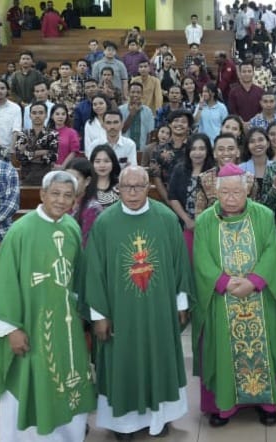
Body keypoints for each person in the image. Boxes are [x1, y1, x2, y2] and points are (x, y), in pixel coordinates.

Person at [0, 170, 96, 441]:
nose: (61, 200)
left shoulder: (71, 228)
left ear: (75, 200)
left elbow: (77, 277)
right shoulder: (21, 231)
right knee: (28, 384)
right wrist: (10, 330)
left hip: (65, 328)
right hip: (30, 327)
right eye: (55, 193)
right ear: (42, 194)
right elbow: (4, 283)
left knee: (68, 384)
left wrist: (81, 312)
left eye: (68, 195)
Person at [82, 165, 193, 441]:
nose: (132, 193)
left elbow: (179, 264)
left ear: (149, 188)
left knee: (158, 358)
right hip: (120, 312)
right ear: (118, 187)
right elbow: (94, 271)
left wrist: (181, 303)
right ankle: (123, 425)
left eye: (139, 187)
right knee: (123, 361)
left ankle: (159, 418)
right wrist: (99, 315)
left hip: (158, 309)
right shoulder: (105, 223)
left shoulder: (166, 219)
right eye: (126, 187)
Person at [192, 163, 276, 428]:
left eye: (237, 192)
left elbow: (271, 250)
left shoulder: (264, 215)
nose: (231, 198)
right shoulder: (205, 221)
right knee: (222, 348)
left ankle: (266, 404)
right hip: (222, 298)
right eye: (226, 193)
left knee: (263, 348)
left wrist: (255, 281)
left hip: (259, 296)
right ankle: (224, 405)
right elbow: (201, 258)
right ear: (217, 193)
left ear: (247, 190)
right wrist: (222, 282)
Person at [194, 132, 258, 216]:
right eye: (221, 149)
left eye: (230, 149)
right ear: (214, 153)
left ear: (238, 152)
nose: (226, 153)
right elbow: (199, 213)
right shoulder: (204, 179)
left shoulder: (250, 179)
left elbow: (255, 211)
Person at [15, 100, 59, 185]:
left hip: (46, 175)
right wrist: (42, 152)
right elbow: (20, 156)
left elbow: (52, 157)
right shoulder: (23, 134)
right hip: (26, 175)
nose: (37, 116)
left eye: (41, 113)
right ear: (30, 115)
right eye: (34, 113)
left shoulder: (53, 134)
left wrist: (29, 154)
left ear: (46, 115)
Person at [64, 157, 102, 245]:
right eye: (68, 179)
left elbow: (86, 245)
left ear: (87, 181)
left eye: (75, 179)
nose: (70, 184)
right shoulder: (63, 204)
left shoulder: (93, 209)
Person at [119, 81, 155, 151]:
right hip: (125, 149)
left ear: (142, 94)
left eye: (138, 92)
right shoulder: (121, 109)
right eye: (132, 92)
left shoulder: (148, 111)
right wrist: (131, 114)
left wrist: (146, 151)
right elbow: (120, 131)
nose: (135, 95)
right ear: (128, 93)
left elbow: (150, 133)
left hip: (142, 149)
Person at [0, 79, 23, 150]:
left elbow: (16, 130)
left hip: (8, 148)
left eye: (2, 88)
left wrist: (12, 149)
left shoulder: (15, 108)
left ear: (7, 90)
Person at [89, 143, 121, 208]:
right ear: (92, 164)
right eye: (97, 161)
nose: (102, 165)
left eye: (106, 161)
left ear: (113, 163)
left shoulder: (120, 186)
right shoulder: (86, 186)